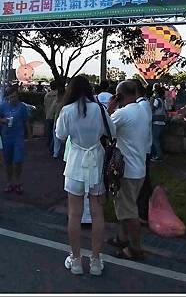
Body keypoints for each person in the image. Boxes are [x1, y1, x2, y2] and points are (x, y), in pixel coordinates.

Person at [56, 75, 116, 276]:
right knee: (97, 214)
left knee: (74, 214)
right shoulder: (99, 109)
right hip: (96, 163)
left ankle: (75, 260)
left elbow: (60, 135)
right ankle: (96, 261)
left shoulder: (67, 110)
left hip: (75, 164)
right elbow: (112, 132)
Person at [107, 80, 149, 261]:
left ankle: (136, 248)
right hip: (139, 167)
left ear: (120, 96)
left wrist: (110, 108)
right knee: (126, 207)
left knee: (129, 211)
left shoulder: (122, 113)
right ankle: (122, 238)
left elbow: (104, 128)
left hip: (127, 170)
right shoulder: (141, 110)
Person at [0, 86, 31, 195]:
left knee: (18, 161)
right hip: (6, 136)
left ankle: (18, 182)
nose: (13, 99)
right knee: (8, 161)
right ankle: (9, 182)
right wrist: (4, 121)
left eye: (15, 97)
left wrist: (29, 135)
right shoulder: (3, 106)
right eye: (11, 97)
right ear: (8, 97)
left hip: (18, 137)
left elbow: (26, 121)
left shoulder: (22, 107)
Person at [130, 79, 153, 224]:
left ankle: (143, 213)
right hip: (142, 148)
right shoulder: (142, 104)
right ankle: (144, 210)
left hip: (142, 149)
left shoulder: (142, 105)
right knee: (144, 182)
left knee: (143, 183)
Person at [151, 86, 167, 162]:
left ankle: (158, 155)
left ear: (157, 93)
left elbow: (152, 109)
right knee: (159, 140)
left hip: (156, 122)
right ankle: (159, 154)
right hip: (162, 122)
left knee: (155, 139)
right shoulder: (163, 101)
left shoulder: (157, 100)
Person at [44, 81, 57, 155]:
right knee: (54, 133)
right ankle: (52, 148)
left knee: (49, 133)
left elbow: (45, 105)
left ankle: (49, 145)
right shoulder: (58, 95)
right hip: (55, 116)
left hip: (48, 115)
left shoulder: (47, 95)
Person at [52, 82, 65, 159]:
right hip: (63, 122)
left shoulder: (55, 102)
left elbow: (52, 111)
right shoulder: (65, 103)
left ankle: (55, 153)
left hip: (56, 121)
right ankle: (63, 153)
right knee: (63, 139)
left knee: (56, 139)